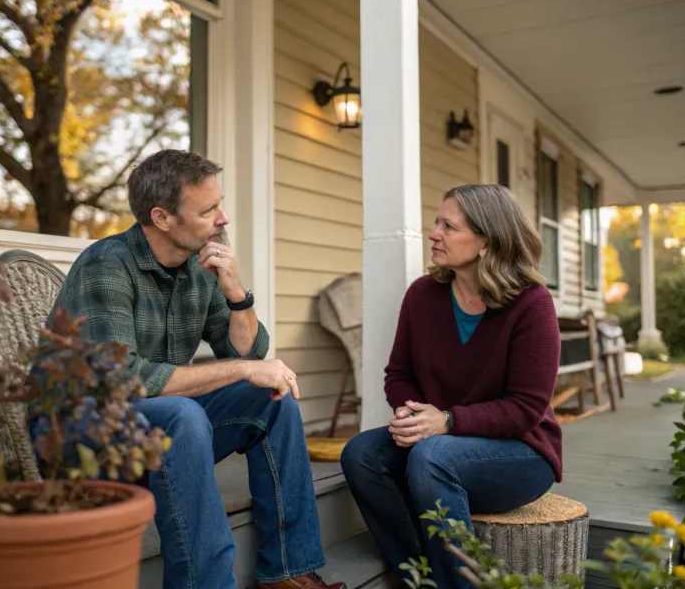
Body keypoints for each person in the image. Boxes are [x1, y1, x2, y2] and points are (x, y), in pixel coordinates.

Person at [41, 150, 345, 589]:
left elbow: (249, 352)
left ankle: (287, 573)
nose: (222, 218)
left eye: (219, 204)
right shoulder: (106, 264)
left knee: (270, 397)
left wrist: (237, 292)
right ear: (162, 217)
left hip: (155, 429)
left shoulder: (198, 268)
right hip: (81, 435)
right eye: (207, 210)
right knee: (183, 415)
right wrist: (240, 370)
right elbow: (124, 379)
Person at [340, 184, 563, 589]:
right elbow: (398, 373)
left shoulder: (531, 303)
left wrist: (445, 421)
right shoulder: (424, 295)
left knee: (432, 455)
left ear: (486, 243)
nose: (434, 233)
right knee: (360, 453)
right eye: (436, 222)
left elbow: (526, 407)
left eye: (449, 226)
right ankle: (418, 577)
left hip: (521, 452)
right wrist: (411, 413)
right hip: (438, 440)